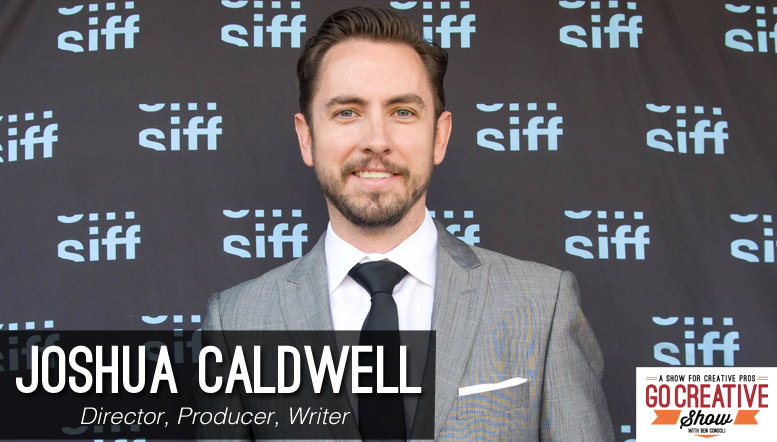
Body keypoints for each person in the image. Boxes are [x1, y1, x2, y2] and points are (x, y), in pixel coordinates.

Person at [200, 5, 615, 441]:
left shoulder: (542, 306)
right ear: (307, 138)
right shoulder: (236, 322)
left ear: (439, 136)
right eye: (347, 112)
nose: (377, 141)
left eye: (402, 112)